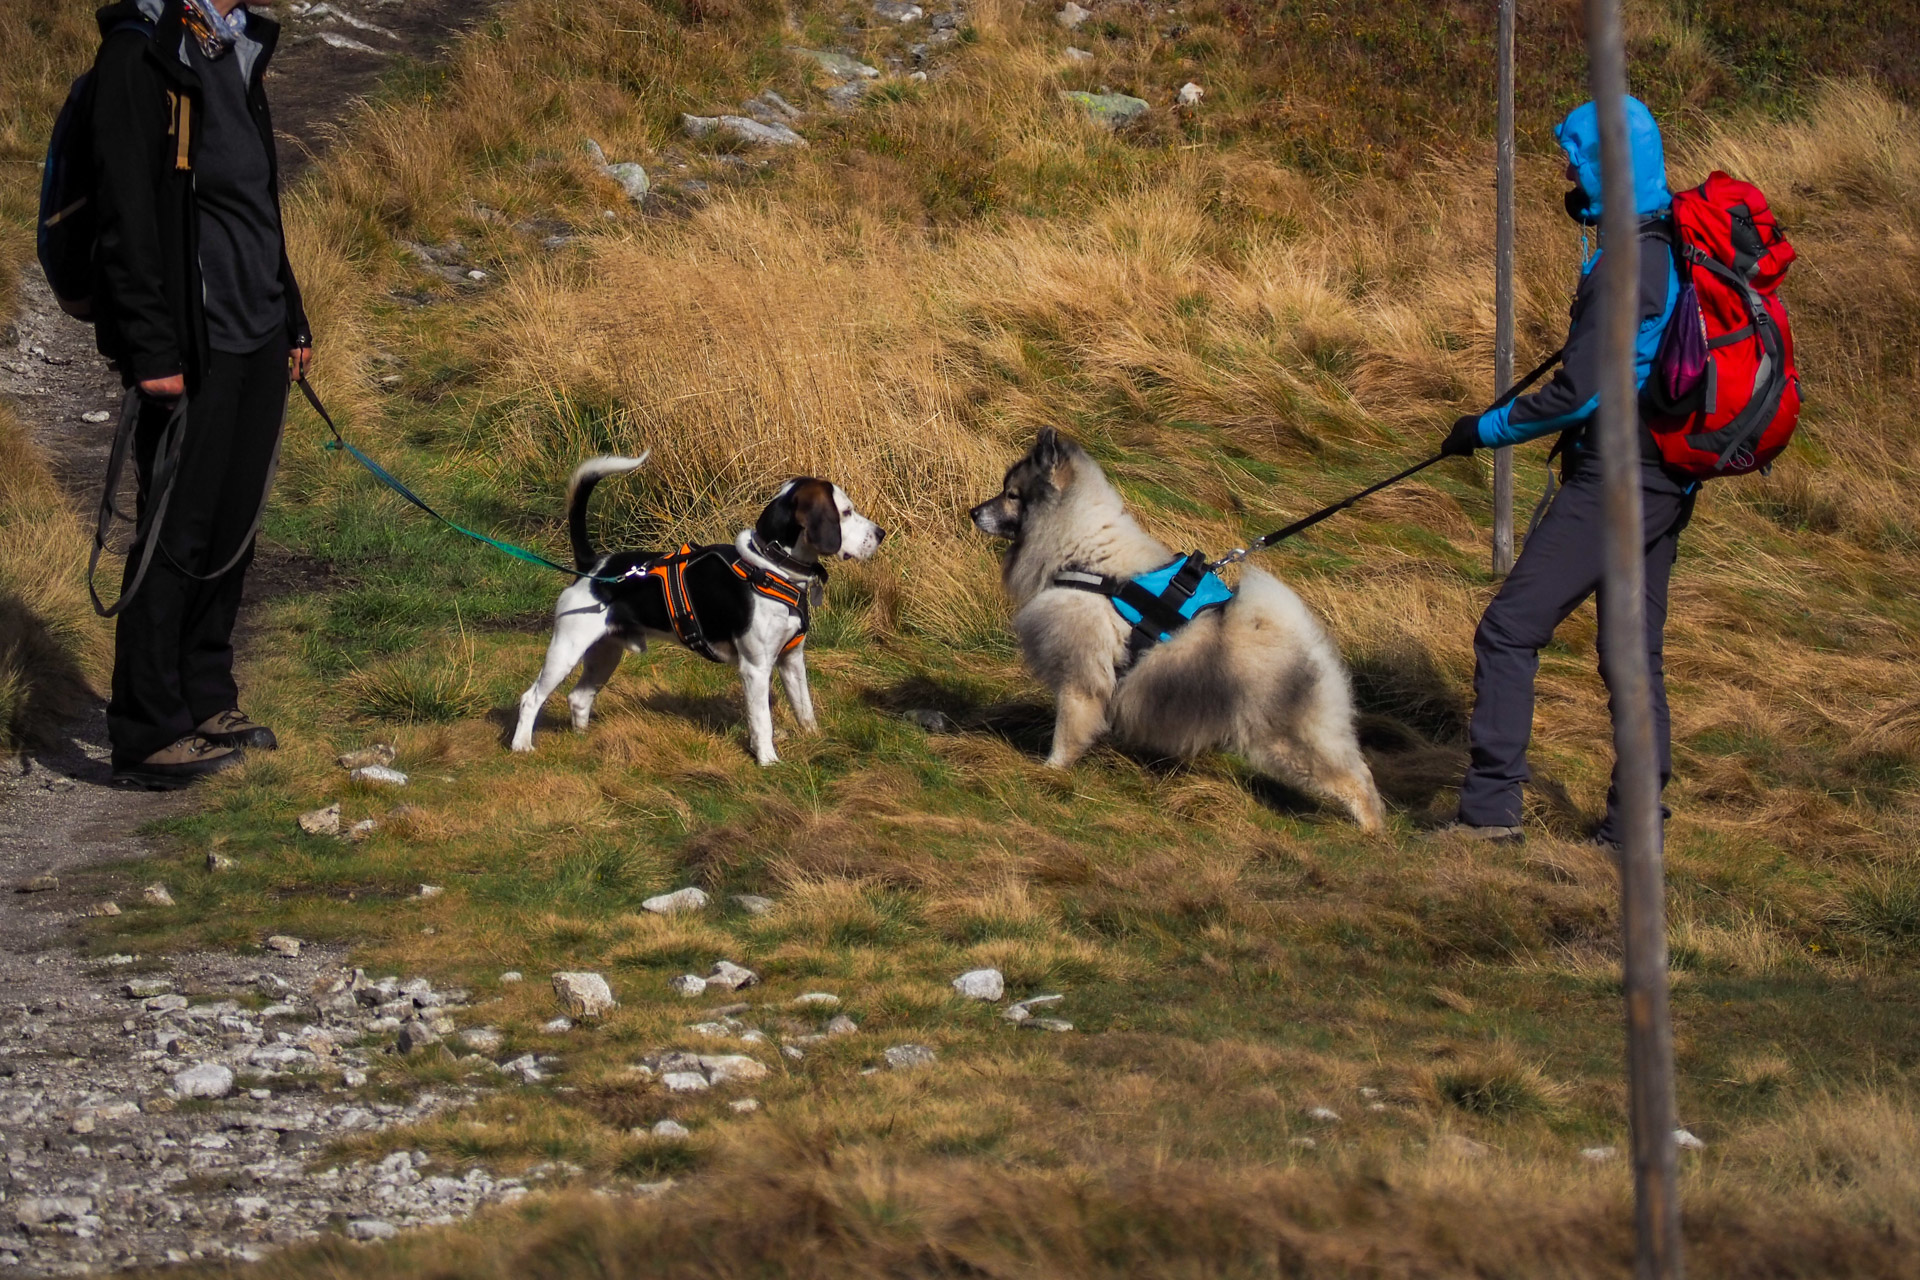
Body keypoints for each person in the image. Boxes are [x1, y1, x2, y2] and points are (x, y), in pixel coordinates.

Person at [1436, 96, 1689, 847]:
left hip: (1614, 479)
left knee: (1508, 631)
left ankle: (1487, 817)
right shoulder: (1668, 240)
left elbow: (1579, 393)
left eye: (1576, 161)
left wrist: (1482, 430)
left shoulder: (1630, 262)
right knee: (1629, 655)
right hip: (1665, 479)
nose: (1567, 175)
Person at [89, 0, 310, 788]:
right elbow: (127, 218)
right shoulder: (140, 55)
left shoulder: (237, 48)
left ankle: (207, 697)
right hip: (192, 341)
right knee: (176, 532)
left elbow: (256, 204)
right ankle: (148, 727)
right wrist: (152, 348)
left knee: (230, 529)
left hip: (257, 331)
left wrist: (292, 315)